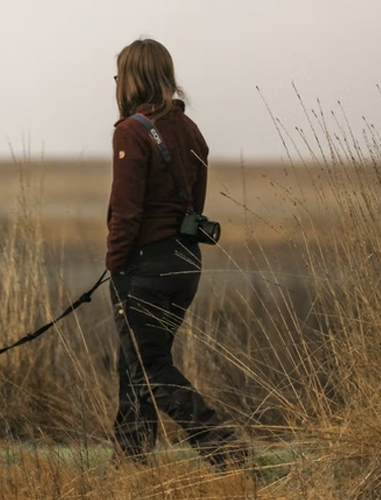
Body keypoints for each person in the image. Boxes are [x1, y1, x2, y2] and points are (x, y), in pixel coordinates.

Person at [106, 38, 244, 470]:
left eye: (119, 75)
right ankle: (132, 463)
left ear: (132, 79)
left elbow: (126, 212)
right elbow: (195, 203)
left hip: (144, 268)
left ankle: (224, 448)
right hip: (185, 264)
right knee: (137, 363)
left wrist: (115, 264)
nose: (115, 83)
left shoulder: (130, 131)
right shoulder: (190, 129)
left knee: (149, 368)